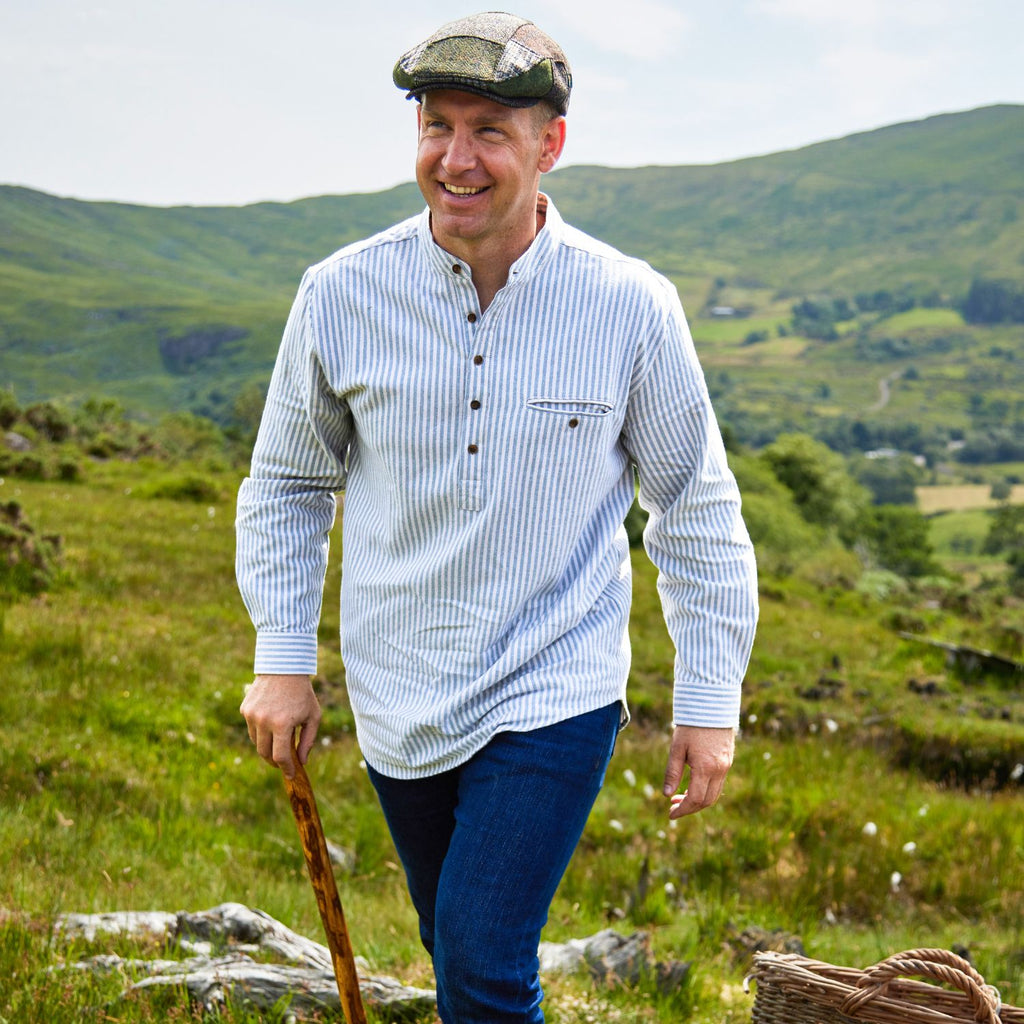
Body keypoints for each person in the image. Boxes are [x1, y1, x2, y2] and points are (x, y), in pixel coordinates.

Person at [236, 12, 758, 1023]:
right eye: (437, 125)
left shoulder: (630, 304)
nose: (456, 158)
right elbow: (288, 485)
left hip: (555, 681)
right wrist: (282, 658)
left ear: (548, 143)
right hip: (398, 684)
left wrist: (708, 699)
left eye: (489, 131)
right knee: (454, 942)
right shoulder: (339, 293)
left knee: (480, 953)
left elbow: (693, 505)